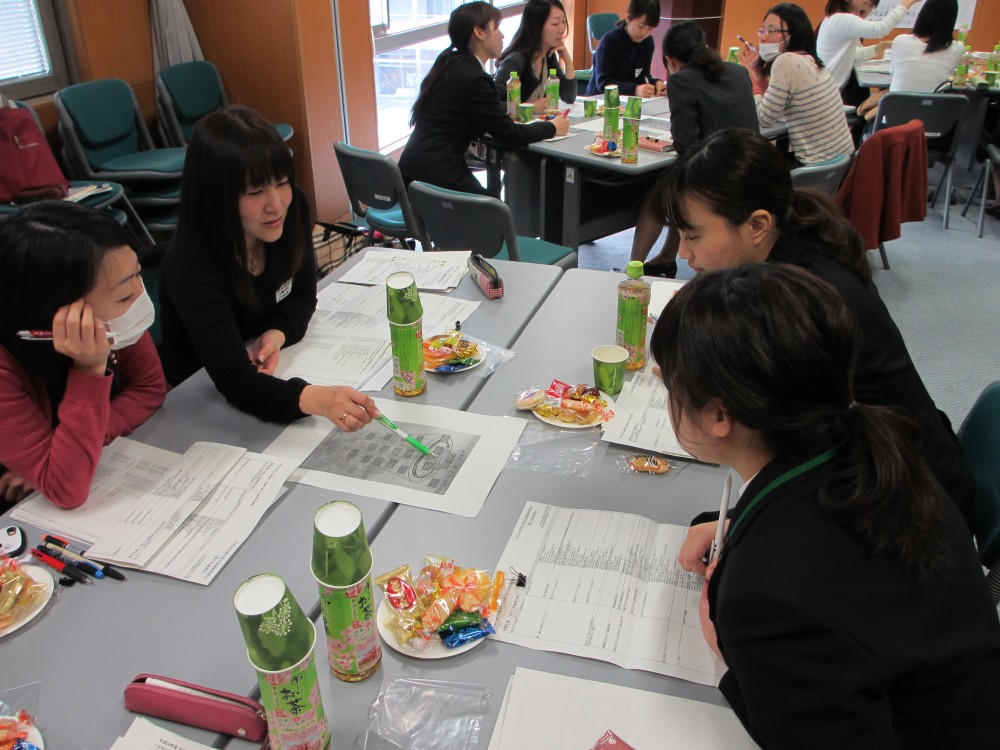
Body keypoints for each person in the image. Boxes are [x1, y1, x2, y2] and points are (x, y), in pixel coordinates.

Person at [652, 262, 1000, 748]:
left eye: (670, 385)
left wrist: (732, 659)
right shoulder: (873, 441)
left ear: (719, 416)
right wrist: (741, 527)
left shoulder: (763, 597)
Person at [652, 128, 975, 523]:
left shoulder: (800, 301)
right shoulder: (789, 254)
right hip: (877, 462)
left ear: (756, 226)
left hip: (909, 497)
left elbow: (796, 446)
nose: (684, 253)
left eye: (693, 236)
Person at [158, 105, 379, 430]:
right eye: (255, 191)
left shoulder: (292, 209)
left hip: (265, 373)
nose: (275, 204)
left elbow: (303, 296)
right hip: (197, 395)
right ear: (215, 197)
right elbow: (234, 380)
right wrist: (318, 399)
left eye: (282, 182)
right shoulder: (191, 263)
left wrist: (276, 333)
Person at [0, 202, 166, 508]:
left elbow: (150, 388)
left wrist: (61, 453)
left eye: (138, 275)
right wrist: (89, 370)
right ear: (62, 312)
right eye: (124, 294)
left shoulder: (114, 318)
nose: (140, 296)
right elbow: (66, 489)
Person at [629, 20, 759, 277]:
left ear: (670, 60)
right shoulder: (738, 71)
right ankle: (666, 257)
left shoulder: (681, 81)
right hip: (751, 167)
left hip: (720, 178)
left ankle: (631, 270)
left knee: (658, 199)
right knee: (674, 186)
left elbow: (686, 146)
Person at [398, 1, 569, 195]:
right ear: (479, 33)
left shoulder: (449, 64)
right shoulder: (475, 78)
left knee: (494, 205)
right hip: (435, 176)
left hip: (413, 170)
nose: (502, 36)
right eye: (496, 28)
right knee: (496, 211)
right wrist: (553, 127)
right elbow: (510, 134)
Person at [740, 3, 854, 166]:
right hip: (841, 161)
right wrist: (757, 70)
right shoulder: (808, 59)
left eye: (772, 30)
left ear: (794, 34)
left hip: (814, 165)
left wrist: (754, 87)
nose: (763, 37)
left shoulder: (786, 60)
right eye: (762, 30)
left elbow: (763, 118)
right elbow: (775, 105)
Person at [857, 0, 963, 121]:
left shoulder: (902, 41)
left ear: (923, 15)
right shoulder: (957, 48)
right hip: (931, 123)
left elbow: (893, 71)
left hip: (892, 121)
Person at [816, 0, 918, 106]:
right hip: (828, 93)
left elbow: (854, 56)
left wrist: (878, 48)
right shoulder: (842, 19)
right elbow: (879, 30)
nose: (868, 2)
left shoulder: (835, 19)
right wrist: (907, 3)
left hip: (829, 90)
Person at [493, 0, 576, 113]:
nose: (561, 29)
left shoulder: (548, 55)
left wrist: (568, 62)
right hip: (511, 127)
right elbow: (489, 103)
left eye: (564, 22)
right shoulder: (516, 59)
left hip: (533, 125)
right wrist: (530, 107)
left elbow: (569, 97)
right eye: (555, 24)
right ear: (537, 26)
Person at [584, 0, 664, 97]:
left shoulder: (647, 42)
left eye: (650, 29)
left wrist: (655, 83)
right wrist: (635, 89)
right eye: (640, 26)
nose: (643, 33)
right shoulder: (609, 41)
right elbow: (603, 82)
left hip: (626, 101)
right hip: (600, 100)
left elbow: (643, 76)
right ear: (628, 18)